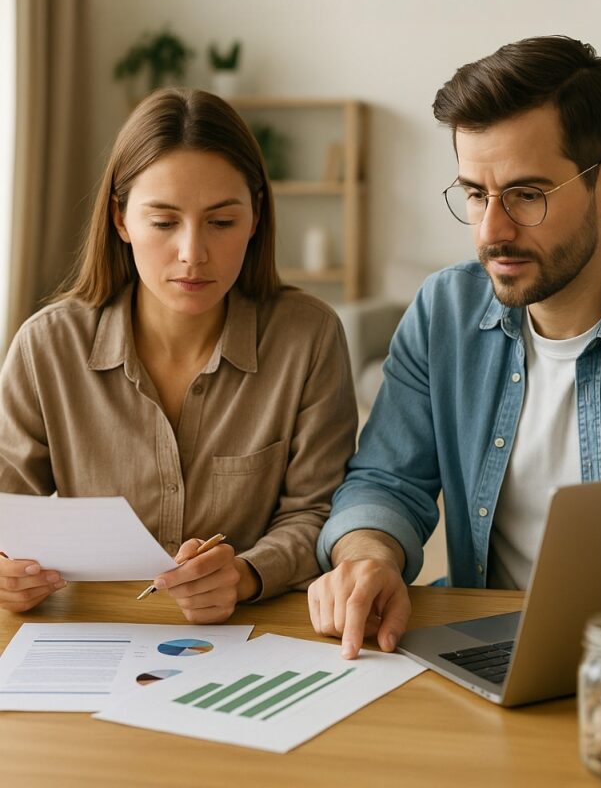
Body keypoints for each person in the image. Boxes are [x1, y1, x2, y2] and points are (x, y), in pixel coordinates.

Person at [308, 35, 601, 659]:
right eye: (476, 194)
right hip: (482, 651)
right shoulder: (445, 311)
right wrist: (368, 555)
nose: (491, 232)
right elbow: (386, 478)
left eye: (527, 195)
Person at [0, 88, 357, 620]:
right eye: (164, 222)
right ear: (121, 220)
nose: (193, 253)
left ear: (256, 217)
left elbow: (317, 512)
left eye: (221, 222)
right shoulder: (46, 346)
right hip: (94, 631)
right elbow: (8, 510)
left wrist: (248, 572)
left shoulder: (307, 337)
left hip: (256, 634)